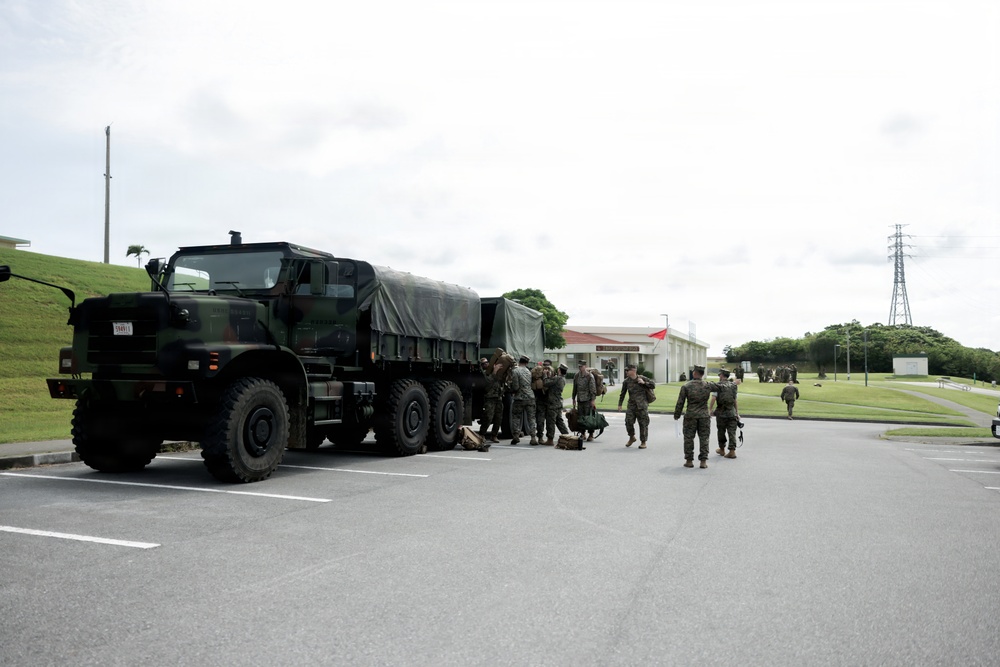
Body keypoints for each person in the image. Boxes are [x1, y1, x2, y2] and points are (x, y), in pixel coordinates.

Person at [673, 365, 718, 468]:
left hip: (691, 415)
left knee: (689, 438)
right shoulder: (708, 385)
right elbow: (721, 387)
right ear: (702, 374)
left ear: (694, 373)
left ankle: (689, 461)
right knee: (704, 438)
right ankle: (703, 461)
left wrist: (677, 414)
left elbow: (680, 402)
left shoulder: (686, 386)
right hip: (704, 416)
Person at [617, 364, 655, 449]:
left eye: (627, 370)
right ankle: (632, 437)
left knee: (643, 424)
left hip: (642, 405)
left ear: (633, 370)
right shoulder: (626, 381)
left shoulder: (642, 378)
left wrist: (644, 383)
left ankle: (643, 442)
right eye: (626, 370)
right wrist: (620, 404)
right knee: (628, 422)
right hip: (631, 405)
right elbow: (622, 393)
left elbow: (653, 385)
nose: (626, 372)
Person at [708, 369, 740, 458]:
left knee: (721, 431)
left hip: (721, 412)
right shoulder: (733, 386)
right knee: (732, 432)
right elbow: (735, 400)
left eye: (720, 375)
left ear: (722, 375)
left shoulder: (718, 386)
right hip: (731, 412)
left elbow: (713, 398)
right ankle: (732, 451)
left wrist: (710, 409)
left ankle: (722, 449)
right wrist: (737, 412)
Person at [510, 355, 538, 445]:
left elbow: (516, 387)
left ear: (519, 361)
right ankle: (533, 437)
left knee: (516, 417)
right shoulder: (529, 372)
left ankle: (516, 436)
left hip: (519, 398)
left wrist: (511, 390)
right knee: (531, 418)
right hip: (530, 397)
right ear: (526, 363)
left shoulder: (515, 371)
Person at [541, 363, 571, 445]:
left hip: (552, 403)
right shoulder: (562, 379)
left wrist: (545, 375)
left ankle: (550, 439)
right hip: (558, 402)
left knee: (550, 422)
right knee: (559, 421)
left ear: (559, 370)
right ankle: (567, 436)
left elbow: (546, 383)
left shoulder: (558, 378)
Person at [479, 357, 504, 443]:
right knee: (488, 417)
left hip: (498, 397)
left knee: (498, 418)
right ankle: (482, 434)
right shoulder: (484, 373)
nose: (486, 364)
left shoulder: (493, 371)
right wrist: (494, 371)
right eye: (483, 363)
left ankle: (494, 435)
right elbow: (488, 382)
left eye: (487, 362)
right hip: (489, 398)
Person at [572, 359, 597, 441]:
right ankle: (583, 433)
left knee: (589, 418)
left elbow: (593, 389)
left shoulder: (589, 376)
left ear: (585, 366)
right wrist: (573, 398)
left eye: (581, 366)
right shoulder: (576, 376)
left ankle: (591, 434)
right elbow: (575, 388)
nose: (580, 368)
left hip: (587, 400)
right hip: (580, 400)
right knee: (581, 418)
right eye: (579, 366)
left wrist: (593, 400)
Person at [534, 360, 553, 442]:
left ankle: (549, 438)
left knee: (550, 421)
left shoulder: (552, 374)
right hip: (541, 400)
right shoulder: (539, 374)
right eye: (544, 365)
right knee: (540, 420)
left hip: (549, 400)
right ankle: (540, 437)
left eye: (547, 365)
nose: (546, 367)